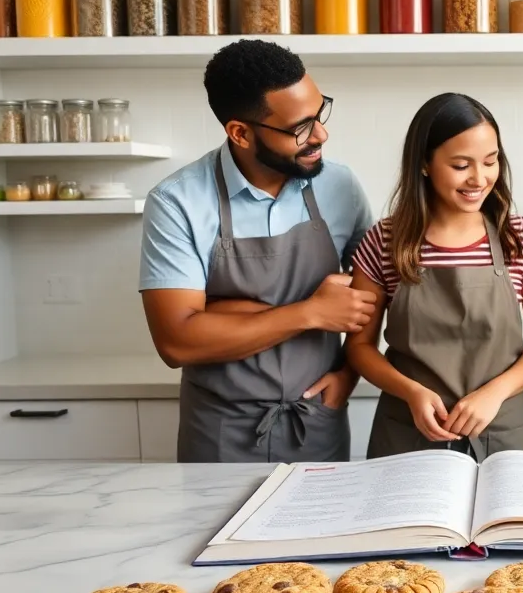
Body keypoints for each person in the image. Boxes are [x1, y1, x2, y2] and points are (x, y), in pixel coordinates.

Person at [139, 40, 375, 462]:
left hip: (316, 419)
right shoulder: (177, 202)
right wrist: (310, 312)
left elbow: (371, 295)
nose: (321, 134)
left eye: (320, 114)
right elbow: (176, 342)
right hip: (219, 430)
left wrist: (348, 374)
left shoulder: (340, 187)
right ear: (240, 132)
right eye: (300, 127)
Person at [346, 93, 523, 458]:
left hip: (501, 430)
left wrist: (493, 393)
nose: (479, 178)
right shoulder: (385, 240)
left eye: (491, 161)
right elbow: (359, 347)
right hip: (408, 433)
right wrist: (411, 392)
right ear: (425, 164)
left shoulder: (519, 237)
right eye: (461, 165)